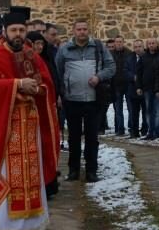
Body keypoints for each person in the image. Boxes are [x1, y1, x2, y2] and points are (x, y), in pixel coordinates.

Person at [0, 12, 60, 230]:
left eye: (21, 30)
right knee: (7, 174)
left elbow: (46, 84)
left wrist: (37, 89)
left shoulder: (31, 55)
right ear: (5, 32)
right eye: (13, 30)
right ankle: (3, 224)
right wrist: (18, 84)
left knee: (31, 172)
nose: (18, 34)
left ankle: (33, 222)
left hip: (30, 126)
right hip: (4, 128)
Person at [54, 19, 115, 182]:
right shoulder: (64, 49)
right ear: (73, 31)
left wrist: (98, 77)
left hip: (93, 100)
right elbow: (58, 72)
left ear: (89, 30)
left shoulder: (98, 47)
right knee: (73, 137)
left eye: (85, 29)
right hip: (71, 100)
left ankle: (91, 171)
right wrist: (61, 93)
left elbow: (111, 67)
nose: (82, 32)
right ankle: (73, 170)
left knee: (92, 137)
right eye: (79, 29)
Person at [135, 36, 159, 140]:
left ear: (157, 44)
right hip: (147, 88)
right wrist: (138, 87)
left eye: (153, 43)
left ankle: (157, 132)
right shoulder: (143, 57)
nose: (151, 45)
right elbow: (139, 73)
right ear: (147, 45)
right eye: (149, 43)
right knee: (148, 111)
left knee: (158, 111)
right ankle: (150, 132)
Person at [108, 36, 131, 136]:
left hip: (128, 84)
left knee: (130, 108)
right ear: (115, 43)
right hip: (116, 85)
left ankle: (131, 128)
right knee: (118, 109)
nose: (119, 43)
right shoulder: (110, 54)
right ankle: (120, 129)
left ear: (123, 42)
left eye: (120, 41)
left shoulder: (129, 53)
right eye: (117, 42)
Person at [126, 38, 148, 138]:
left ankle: (145, 130)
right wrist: (133, 77)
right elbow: (125, 71)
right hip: (133, 89)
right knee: (134, 112)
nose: (137, 49)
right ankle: (134, 132)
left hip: (145, 88)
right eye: (135, 47)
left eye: (139, 46)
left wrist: (142, 78)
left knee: (146, 112)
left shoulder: (148, 57)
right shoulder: (129, 58)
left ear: (143, 47)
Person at [99, 37, 116, 134]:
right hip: (105, 85)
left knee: (106, 107)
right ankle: (102, 126)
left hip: (114, 85)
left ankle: (104, 125)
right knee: (102, 107)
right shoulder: (103, 58)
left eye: (112, 47)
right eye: (109, 47)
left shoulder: (116, 57)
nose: (111, 49)